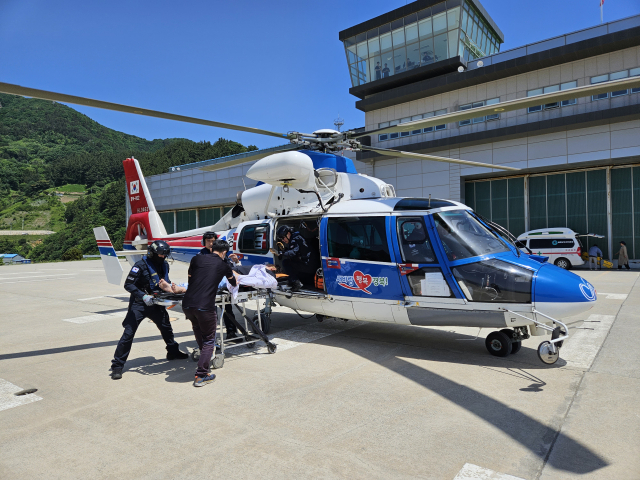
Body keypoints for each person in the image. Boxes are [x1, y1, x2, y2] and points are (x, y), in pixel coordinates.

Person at [111, 240, 188, 380]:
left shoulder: (164, 265)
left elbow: (164, 282)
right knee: (128, 333)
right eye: (160, 254)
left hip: (156, 302)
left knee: (166, 328)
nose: (163, 257)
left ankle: (173, 352)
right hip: (139, 304)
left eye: (165, 255)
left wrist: (172, 290)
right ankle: (117, 365)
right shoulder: (140, 265)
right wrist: (143, 296)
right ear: (152, 253)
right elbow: (128, 285)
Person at [182, 239, 237, 387]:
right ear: (224, 252)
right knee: (209, 340)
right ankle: (201, 375)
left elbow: (190, 277)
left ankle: (204, 360)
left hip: (187, 304)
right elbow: (233, 283)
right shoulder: (224, 265)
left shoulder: (196, 258)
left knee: (199, 331)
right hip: (205, 306)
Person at [198, 231, 242, 340]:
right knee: (212, 314)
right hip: (208, 288)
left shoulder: (223, 253)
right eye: (208, 241)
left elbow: (230, 269)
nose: (211, 243)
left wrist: (236, 262)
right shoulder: (201, 255)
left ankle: (231, 333)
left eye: (213, 241)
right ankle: (211, 339)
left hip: (222, 287)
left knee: (228, 310)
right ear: (204, 242)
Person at [271, 225, 314, 291]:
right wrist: (284, 250)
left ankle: (296, 283)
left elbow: (293, 252)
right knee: (291, 261)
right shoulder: (297, 237)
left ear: (288, 234)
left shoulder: (295, 239)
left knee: (286, 262)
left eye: (283, 237)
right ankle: (293, 281)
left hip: (307, 265)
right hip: (309, 265)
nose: (283, 240)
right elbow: (295, 251)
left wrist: (281, 253)